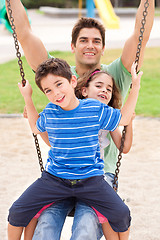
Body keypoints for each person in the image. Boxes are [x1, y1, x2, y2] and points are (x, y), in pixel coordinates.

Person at [6, 1, 155, 239]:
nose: (90, 45)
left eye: (96, 41)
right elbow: (24, 34)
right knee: (44, 228)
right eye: (84, 40)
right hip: (61, 175)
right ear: (73, 45)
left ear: (104, 48)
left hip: (100, 175)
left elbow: (140, 36)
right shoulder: (59, 76)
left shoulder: (113, 74)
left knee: (85, 229)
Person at [8, 57, 142, 240]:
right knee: (16, 212)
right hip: (55, 180)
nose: (56, 93)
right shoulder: (50, 112)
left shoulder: (94, 109)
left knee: (122, 213)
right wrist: (27, 97)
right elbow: (35, 127)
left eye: (59, 84)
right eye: (48, 90)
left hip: (90, 180)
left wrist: (135, 86)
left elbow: (124, 119)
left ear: (72, 81)